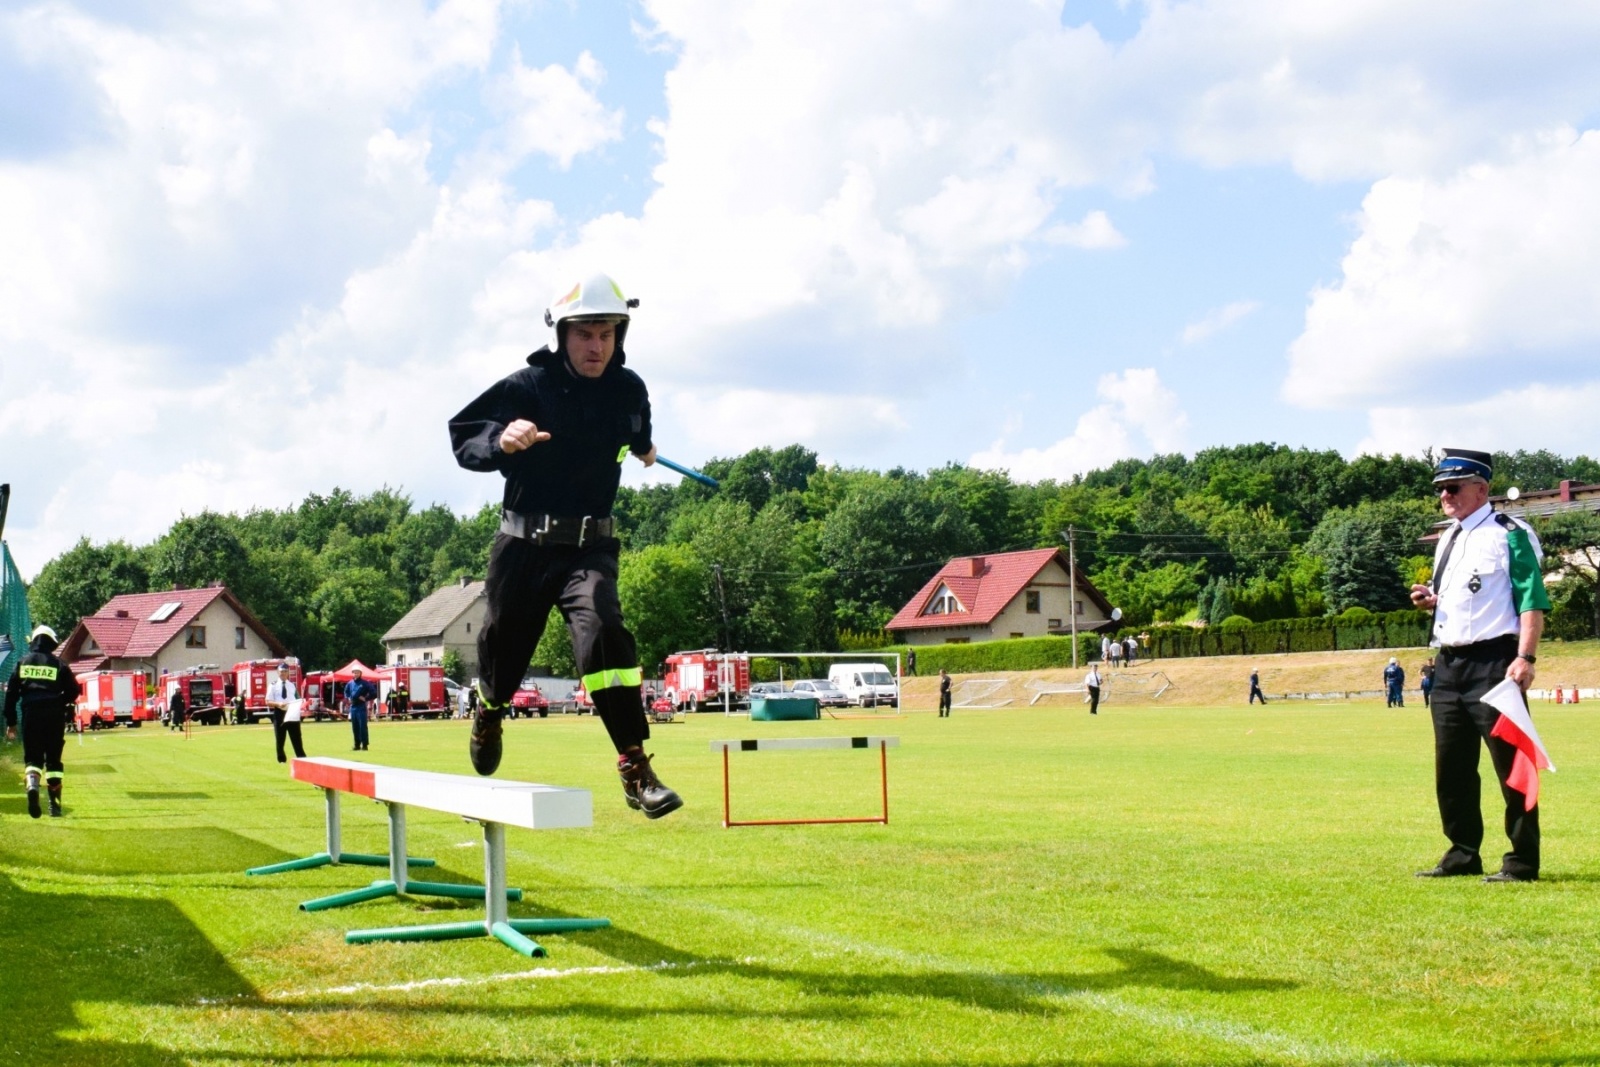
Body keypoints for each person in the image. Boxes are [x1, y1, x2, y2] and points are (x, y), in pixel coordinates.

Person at [448, 271, 681, 819]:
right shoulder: (526, 387)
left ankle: (634, 766)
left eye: (607, 333)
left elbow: (636, 432)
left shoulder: (630, 388)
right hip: (524, 546)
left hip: (590, 549)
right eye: (585, 334)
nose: (596, 346)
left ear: (619, 335)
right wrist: (499, 441)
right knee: (502, 654)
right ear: (562, 335)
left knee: (604, 633)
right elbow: (464, 433)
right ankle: (490, 708)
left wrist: (645, 449)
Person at [1410, 449, 1551, 883]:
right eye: (1439, 490)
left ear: (1482, 489)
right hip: (1450, 664)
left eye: (1452, 488)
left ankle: (1522, 861)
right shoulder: (1448, 538)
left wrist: (1525, 657)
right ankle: (1463, 852)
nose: (1444, 496)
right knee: (1451, 767)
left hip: (1496, 663)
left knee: (1512, 765)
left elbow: (1531, 599)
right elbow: (1466, 597)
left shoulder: (1510, 532)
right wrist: (1430, 601)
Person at [3, 625, 77, 818]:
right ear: (52, 643)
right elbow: (74, 691)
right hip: (54, 715)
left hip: (30, 714)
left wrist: (11, 723)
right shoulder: (58, 664)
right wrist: (59, 701)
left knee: (33, 759)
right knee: (53, 760)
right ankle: (55, 806)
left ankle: (32, 787)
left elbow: (10, 695)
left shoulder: (22, 663)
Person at [266, 668, 307, 763]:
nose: (283, 673)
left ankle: (302, 759)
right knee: (280, 738)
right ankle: (281, 760)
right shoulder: (273, 685)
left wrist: (303, 703)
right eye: (281, 671)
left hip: (292, 712)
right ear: (278, 672)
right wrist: (278, 704)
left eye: (285, 671)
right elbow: (267, 701)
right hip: (280, 712)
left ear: (288, 673)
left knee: (297, 737)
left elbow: (298, 698)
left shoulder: (292, 685)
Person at [344, 668, 376, 752]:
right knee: (355, 727)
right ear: (352, 673)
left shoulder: (365, 683)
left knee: (362, 727)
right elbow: (346, 692)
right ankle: (356, 745)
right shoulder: (350, 683)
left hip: (361, 707)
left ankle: (364, 745)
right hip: (353, 707)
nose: (356, 674)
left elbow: (374, 693)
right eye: (354, 672)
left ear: (360, 673)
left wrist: (366, 698)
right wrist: (348, 699)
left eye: (357, 672)